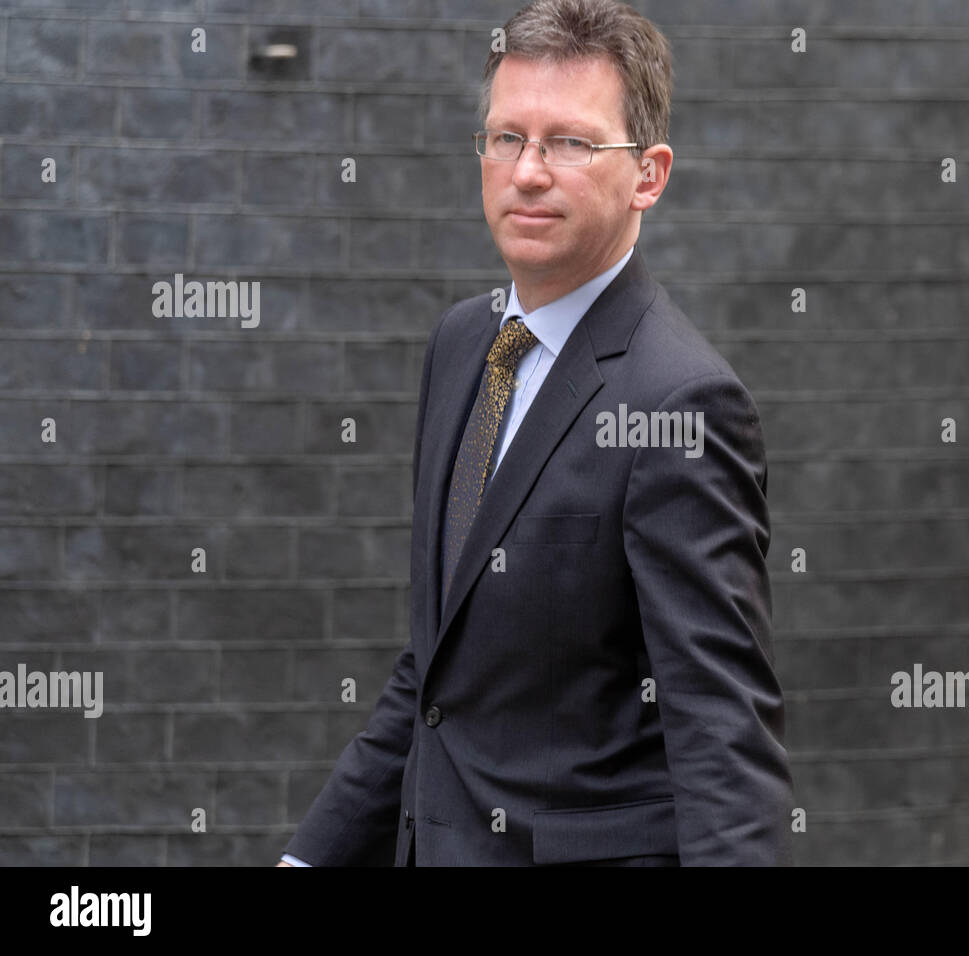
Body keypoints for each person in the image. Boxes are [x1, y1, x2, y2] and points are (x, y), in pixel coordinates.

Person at [278, 0, 794, 866]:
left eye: (570, 143)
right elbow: (438, 668)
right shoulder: (462, 345)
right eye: (505, 137)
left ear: (649, 175)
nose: (526, 172)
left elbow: (720, 730)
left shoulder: (681, 399)